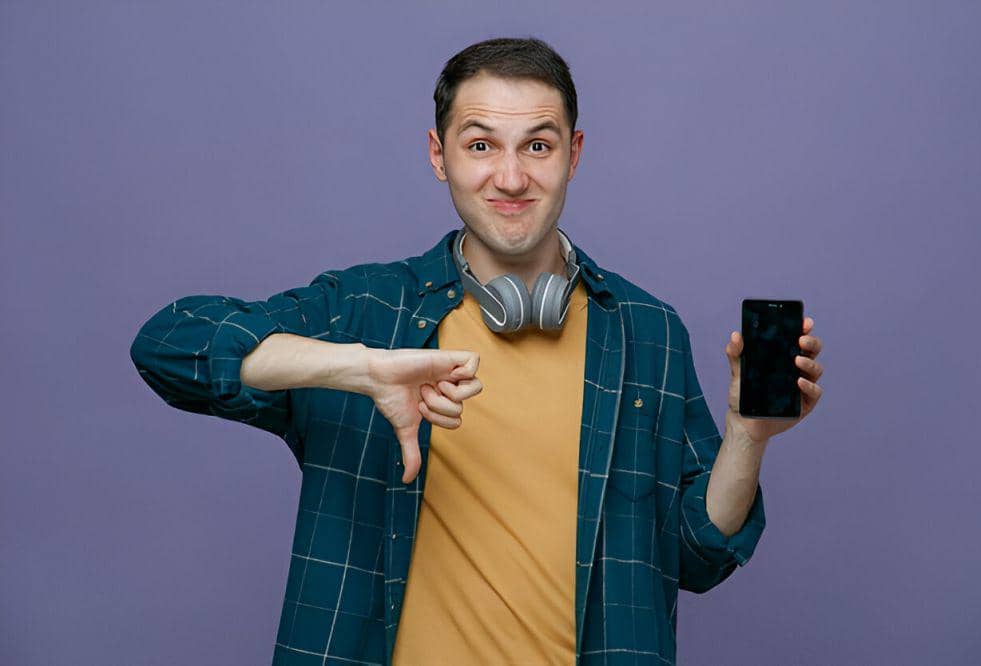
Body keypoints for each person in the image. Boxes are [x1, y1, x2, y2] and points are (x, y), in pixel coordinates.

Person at [129, 36, 824, 666]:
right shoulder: (365, 311)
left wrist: (747, 436)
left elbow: (698, 556)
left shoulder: (647, 331)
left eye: (538, 146)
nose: (511, 178)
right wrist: (360, 368)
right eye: (482, 145)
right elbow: (168, 344)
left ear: (575, 154)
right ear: (440, 155)